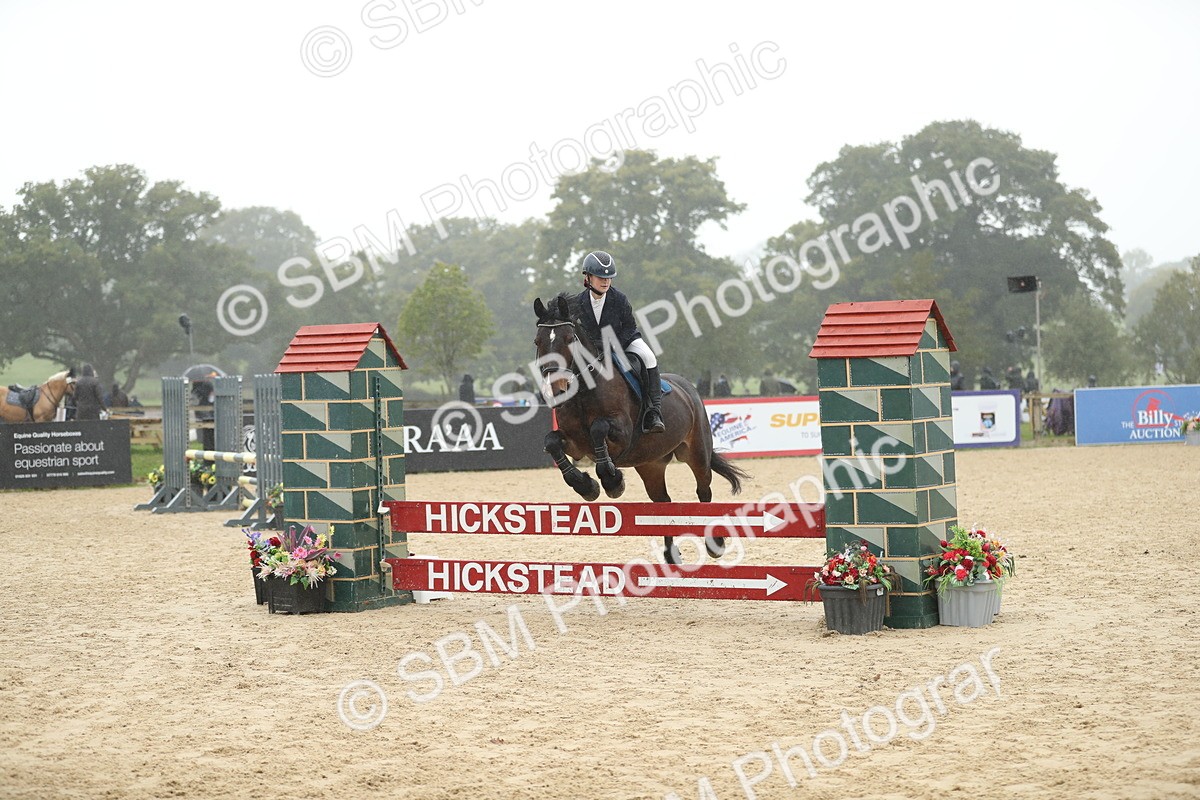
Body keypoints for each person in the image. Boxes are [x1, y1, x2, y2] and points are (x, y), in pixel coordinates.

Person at [574, 250, 664, 433]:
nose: (606, 281)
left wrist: (612, 345)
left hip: (624, 341)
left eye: (609, 278)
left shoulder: (619, 299)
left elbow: (630, 327)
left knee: (648, 357)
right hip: (593, 349)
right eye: (600, 277)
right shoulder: (578, 303)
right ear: (588, 277)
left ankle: (653, 411)